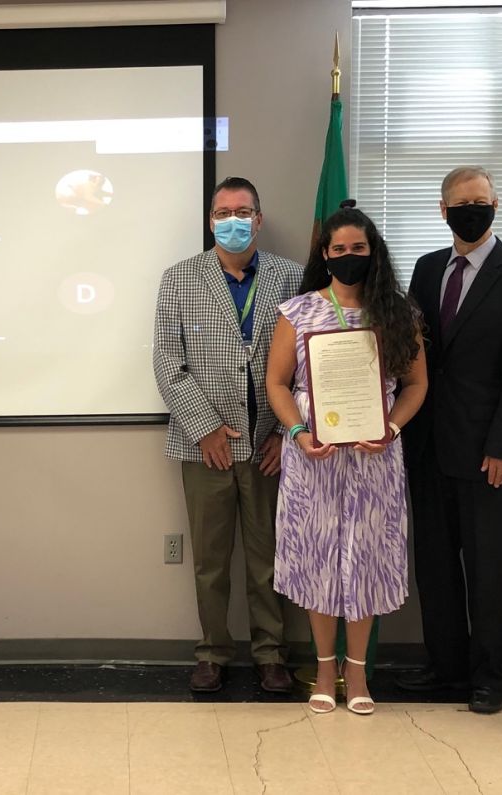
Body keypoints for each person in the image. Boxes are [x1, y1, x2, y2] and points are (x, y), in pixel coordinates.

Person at [400, 166, 502, 715]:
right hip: (427, 450)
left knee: (489, 573)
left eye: (480, 201)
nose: (471, 210)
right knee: (436, 569)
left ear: (496, 204)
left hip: (491, 454)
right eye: (460, 203)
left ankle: (489, 677)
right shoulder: (424, 269)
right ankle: (446, 670)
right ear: (442, 211)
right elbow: (411, 355)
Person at [265, 202, 427, 715]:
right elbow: (276, 383)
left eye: (359, 248)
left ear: (372, 252)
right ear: (325, 254)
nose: (350, 256)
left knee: (368, 561)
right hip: (313, 456)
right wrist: (296, 431)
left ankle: (357, 675)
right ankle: (323, 669)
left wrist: (392, 428)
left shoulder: (399, 313)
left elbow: (417, 384)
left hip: (375, 457)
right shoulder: (299, 311)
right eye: (340, 249)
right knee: (318, 560)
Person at [152, 176, 302, 694]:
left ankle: (270, 655)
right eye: (222, 212)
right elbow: (168, 364)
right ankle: (213, 652)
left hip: (269, 445)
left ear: (258, 219)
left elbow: (305, 366)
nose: (232, 221)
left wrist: (288, 431)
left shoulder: (292, 279)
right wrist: (205, 428)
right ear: (210, 220)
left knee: (269, 561)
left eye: (242, 211)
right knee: (210, 563)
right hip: (204, 448)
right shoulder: (179, 279)